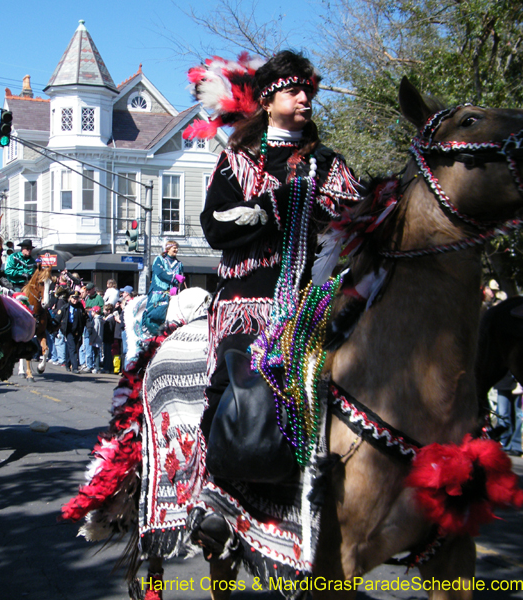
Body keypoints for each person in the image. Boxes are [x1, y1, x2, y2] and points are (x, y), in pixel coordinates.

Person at [188, 50, 358, 553]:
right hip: (249, 301)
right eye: (294, 90)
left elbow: (362, 218)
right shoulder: (239, 160)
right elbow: (215, 226)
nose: (305, 98)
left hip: (316, 301)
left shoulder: (330, 163)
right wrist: (271, 206)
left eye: (309, 91)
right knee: (236, 384)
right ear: (267, 100)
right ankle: (212, 495)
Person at [141, 241, 184, 337]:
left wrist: (176, 287)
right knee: (156, 314)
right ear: (168, 249)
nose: (176, 250)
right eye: (174, 248)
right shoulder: (159, 260)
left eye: (177, 248)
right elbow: (160, 273)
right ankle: (153, 332)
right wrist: (174, 276)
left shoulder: (179, 264)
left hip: (173, 294)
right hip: (159, 293)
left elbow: (180, 277)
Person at [60, 291, 86, 374]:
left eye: (77, 298)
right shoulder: (66, 307)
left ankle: (68, 363)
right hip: (69, 330)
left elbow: (85, 318)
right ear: (70, 298)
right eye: (73, 298)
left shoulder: (80, 307)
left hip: (77, 330)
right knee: (73, 348)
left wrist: (89, 328)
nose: (75, 300)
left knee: (73, 348)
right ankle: (75, 367)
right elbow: (58, 318)